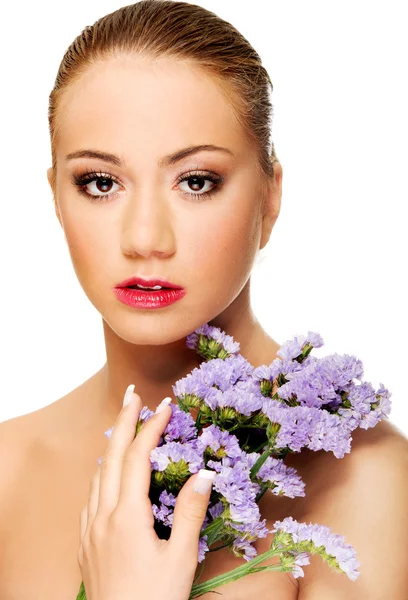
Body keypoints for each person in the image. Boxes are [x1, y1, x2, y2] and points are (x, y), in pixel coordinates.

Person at [0, 1, 407, 599]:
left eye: (195, 181)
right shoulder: (7, 468)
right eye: (100, 183)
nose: (145, 239)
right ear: (58, 199)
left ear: (270, 197)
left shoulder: (365, 482)